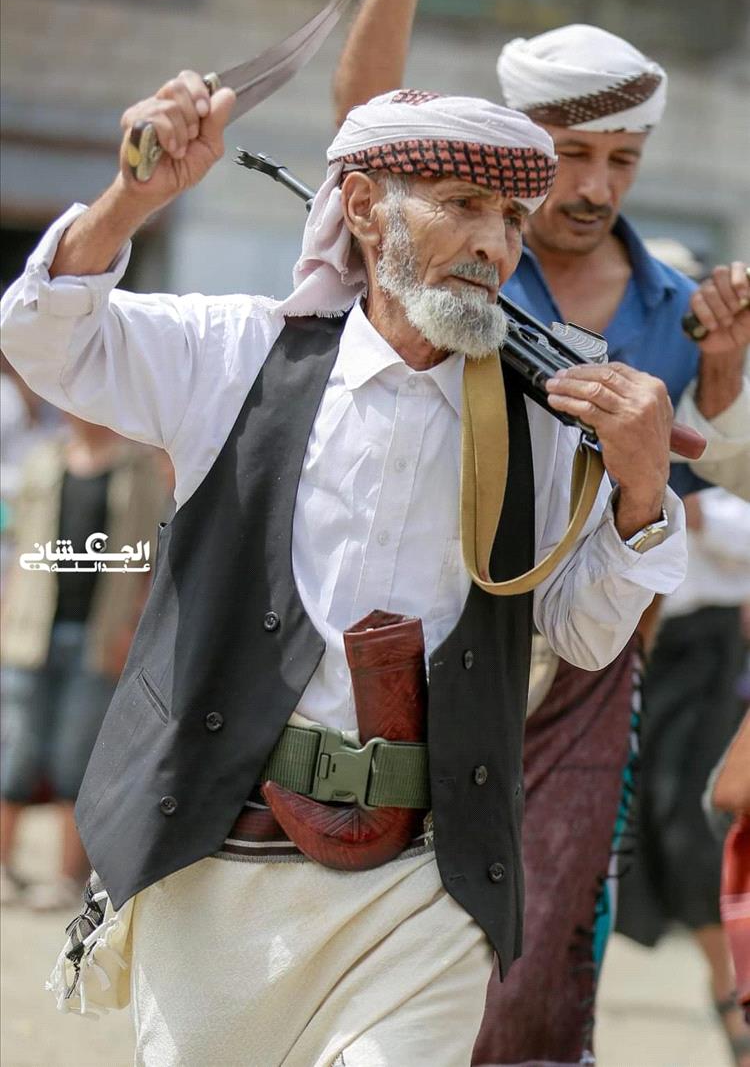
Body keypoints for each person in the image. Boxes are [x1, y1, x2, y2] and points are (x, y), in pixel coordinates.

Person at [1, 79, 687, 1063]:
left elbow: (583, 633)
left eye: (510, 218)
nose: (495, 245)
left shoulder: (542, 420)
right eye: (464, 204)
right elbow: (41, 337)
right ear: (364, 207)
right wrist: (133, 198)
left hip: (423, 886)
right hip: (218, 860)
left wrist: (641, 492)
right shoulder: (238, 352)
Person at [331, 0, 750, 1064]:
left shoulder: (684, 308)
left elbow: (699, 489)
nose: (597, 187)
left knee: (544, 944)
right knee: (376, 918)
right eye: (570, 156)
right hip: (420, 644)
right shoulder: (453, 257)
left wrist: (719, 387)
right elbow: (363, 118)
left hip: (585, 672)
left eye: (623, 159)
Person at [0, 417, 165, 910]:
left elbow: (151, 560)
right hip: (31, 631)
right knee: (15, 751)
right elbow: (20, 549)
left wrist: (132, 628)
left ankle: (65, 878)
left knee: (79, 756)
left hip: (99, 636)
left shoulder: (140, 470)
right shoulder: (43, 462)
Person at [616, 488, 750, 1067]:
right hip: (630, 640)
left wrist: (699, 516)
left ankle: (732, 995)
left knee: (691, 824)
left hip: (713, 649)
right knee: (639, 824)